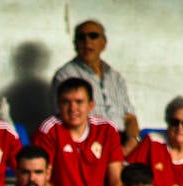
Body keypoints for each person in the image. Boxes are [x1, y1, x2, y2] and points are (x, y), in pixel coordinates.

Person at [34, 78, 124, 186]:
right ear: (58, 105)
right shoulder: (49, 130)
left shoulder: (106, 130)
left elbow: (116, 180)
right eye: (66, 102)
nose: (72, 108)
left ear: (91, 105)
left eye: (79, 102)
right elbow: (43, 179)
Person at [50, 20, 138, 153]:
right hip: (90, 143)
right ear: (75, 44)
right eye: (81, 37)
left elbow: (130, 117)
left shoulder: (115, 76)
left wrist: (132, 141)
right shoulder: (65, 75)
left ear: (104, 43)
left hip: (123, 141)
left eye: (93, 36)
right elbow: (66, 118)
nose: (87, 41)